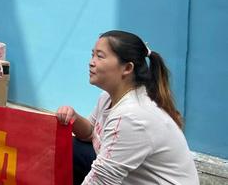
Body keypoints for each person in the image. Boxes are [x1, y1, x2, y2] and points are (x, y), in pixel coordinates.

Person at [56, 31, 198, 185]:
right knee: (69, 149)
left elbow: (101, 180)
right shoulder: (108, 97)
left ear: (127, 68)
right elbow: (91, 134)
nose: (91, 62)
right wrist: (74, 118)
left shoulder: (132, 116)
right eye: (92, 55)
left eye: (100, 56)